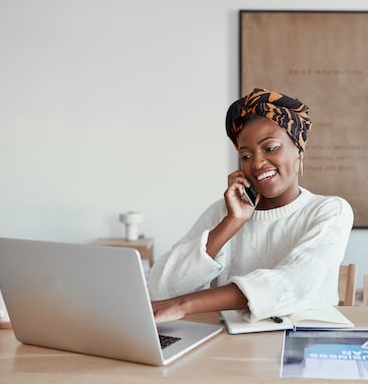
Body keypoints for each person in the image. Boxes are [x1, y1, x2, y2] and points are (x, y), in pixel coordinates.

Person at [148, 88, 354, 323]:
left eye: (270, 148)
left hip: (300, 345)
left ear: (298, 149)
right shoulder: (224, 211)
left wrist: (185, 305)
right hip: (228, 346)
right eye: (246, 156)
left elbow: (291, 282)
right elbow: (161, 289)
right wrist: (232, 222)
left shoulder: (329, 211)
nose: (257, 163)